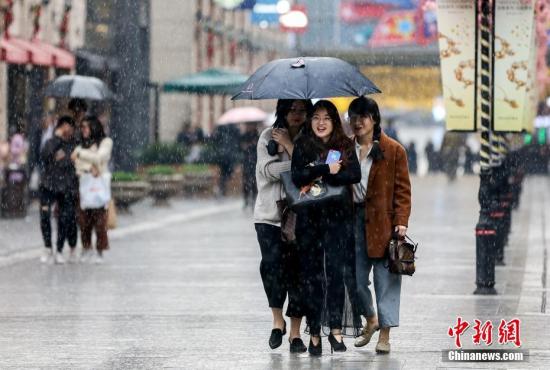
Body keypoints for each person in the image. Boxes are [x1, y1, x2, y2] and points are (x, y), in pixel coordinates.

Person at [291, 100, 361, 355]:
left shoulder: (344, 145)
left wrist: (328, 174)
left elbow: (354, 175)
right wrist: (323, 168)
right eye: (316, 117)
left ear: (334, 121)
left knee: (335, 273)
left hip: (338, 219)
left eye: (327, 118)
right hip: (309, 220)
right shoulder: (302, 144)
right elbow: (297, 176)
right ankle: (314, 334)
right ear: (310, 122)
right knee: (312, 277)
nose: (321, 123)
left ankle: (335, 329)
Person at [348, 96, 411, 354]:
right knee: (355, 279)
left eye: (363, 116)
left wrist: (401, 222)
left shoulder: (394, 150)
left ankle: (384, 335)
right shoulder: (343, 149)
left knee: (386, 281)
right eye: (353, 116)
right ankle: (370, 318)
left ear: (374, 119)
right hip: (353, 222)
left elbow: (403, 190)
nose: (358, 122)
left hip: (384, 224)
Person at [254, 99, 313, 353]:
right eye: (292, 110)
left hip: (301, 215)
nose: (297, 115)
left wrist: (292, 148)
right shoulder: (267, 136)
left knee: (298, 273)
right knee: (271, 266)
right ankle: (277, 321)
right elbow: (267, 171)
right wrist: (298, 163)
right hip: (268, 216)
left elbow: (316, 171)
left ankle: (295, 333)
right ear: (283, 111)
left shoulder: (312, 139)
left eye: (302, 110)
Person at [72, 115, 113, 264]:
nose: (83, 130)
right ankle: (86, 248)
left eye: (86, 127)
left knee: (100, 221)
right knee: (84, 221)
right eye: (81, 127)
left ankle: (100, 250)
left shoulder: (106, 142)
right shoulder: (80, 143)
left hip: (99, 187)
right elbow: (78, 164)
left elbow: (101, 157)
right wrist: (90, 164)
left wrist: (82, 154)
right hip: (84, 185)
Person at [39, 116, 78, 264]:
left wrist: (66, 158)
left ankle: (60, 249)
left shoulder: (74, 144)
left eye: (71, 127)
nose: (69, 130)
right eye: (66, 126)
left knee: (64, 218)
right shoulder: (51, 141)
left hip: (66, 186)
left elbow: (70, 162)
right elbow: (45, 156)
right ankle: (48, 247)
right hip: (48, 185)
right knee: (44, 216)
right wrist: (57, 137)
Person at [241, 123, 259, 210]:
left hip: (255, 161)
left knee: (254, 182)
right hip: (247, 161)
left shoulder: (257, 135)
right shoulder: (244, 135)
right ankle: (246, 200)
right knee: (245, 182)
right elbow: (240, 147)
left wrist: (252, 145)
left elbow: (258, 147)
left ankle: (254, 200)